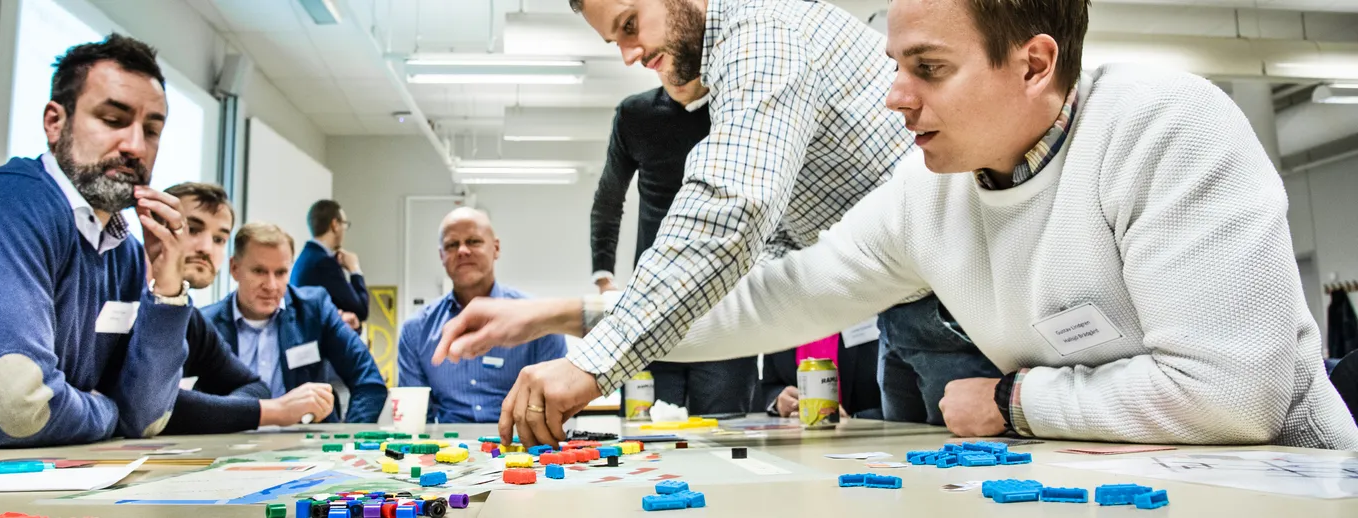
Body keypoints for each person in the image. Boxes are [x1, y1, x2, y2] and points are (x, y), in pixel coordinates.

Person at [434, 0, 1358, 449]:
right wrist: (572, 314)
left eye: (927, 67)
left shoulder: (1166, 126)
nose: (892, 96)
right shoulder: (929, 195)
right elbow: (777, 297)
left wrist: (1011, 403)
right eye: (894, 62)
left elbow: (1233, 397)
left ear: (1035, 63)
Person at [437, 0, 990, 447]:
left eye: (631, 25)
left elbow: (729, 213)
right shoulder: (728, 70)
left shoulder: (763, 32)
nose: (629, 54)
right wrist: (555, 314)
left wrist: (592, 362)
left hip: (958, 305)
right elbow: (749, 284)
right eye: (616, 41)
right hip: (902, 308)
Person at [0, 35, 192, 454]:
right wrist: (107, 413)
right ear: (54, 122)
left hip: (35, 479)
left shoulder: (127, 251)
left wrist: (168, 290)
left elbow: (146, 418)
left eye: (151, 130)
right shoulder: (5, 205)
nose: (136, 147)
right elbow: (20, 412)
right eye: (113, 120)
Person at [591, 76, 756, 415]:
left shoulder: (737, 110)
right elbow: (609, 197)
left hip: (723, 311)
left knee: (722, 433)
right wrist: (604, 277)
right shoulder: (635, 115)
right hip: (651, 308)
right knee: (646, 436)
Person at [160, 183, 335, 434]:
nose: (206, 248)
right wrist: (275, 411)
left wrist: (222, 412)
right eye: (192, 229)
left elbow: (254, 386)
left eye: (219, 238)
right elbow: (151, 406)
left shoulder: (188, 316)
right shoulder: (124, 293)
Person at [201, 222, 387, 424]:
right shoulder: (205, 324)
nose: (271, 286)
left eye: (280, 273)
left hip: (307, 445)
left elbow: (368, 380)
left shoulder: (314, 310)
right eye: (259, 271)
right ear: (235, 268)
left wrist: (348, 442)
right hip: (231, 443)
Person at [398, 208, 567, 423]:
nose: (462, 251)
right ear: (441, 255)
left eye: (473, 241)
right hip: (446, 451)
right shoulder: (416, 330)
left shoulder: (539, 321)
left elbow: (554, 406)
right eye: (451, 245)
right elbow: (416, 419)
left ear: (496, 248)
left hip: (523, 449)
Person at [762, 335, 882, 420]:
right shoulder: (780, 326)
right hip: (799, 441)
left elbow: (897, 392)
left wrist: (853, 420)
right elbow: (770, 385)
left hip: (870, 438)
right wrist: (779, 401)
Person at [293, 199, 367, 331]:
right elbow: (361, 310)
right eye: (344, 224)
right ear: (335, 225)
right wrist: (355, 269)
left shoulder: (305, 257)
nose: (344, 230)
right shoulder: (324, 263)